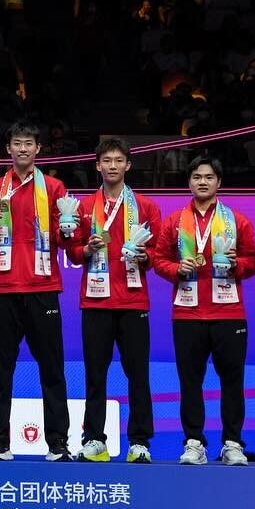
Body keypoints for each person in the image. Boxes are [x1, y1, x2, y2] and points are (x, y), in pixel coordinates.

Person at [0, 121, 72, 461]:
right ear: (8, 149)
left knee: (52, 369)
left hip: (43, 287)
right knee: (1, 370)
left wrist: (69, 229)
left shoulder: (55, 188)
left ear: (38, 148)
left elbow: (65, 239)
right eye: (17, 143)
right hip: (4, 289)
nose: (23, 149)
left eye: (29, 143)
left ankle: (58, 442)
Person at [151, 156, 255, 465]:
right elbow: (158, 260)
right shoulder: (175, 222)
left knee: (232, 382)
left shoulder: (237, 221)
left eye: (209, 177)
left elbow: (254, 261)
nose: (202, 182)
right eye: (197, 177)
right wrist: (176, 268)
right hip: (187, 314)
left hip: (229, 313)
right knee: (190, 382)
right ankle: (194, 442)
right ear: (189, 182)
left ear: (219, 182)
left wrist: (237, 265)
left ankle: (232, 443)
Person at [64, 138, 163, 464]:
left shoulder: (146, 207)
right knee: (95, 374)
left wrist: (145, 256)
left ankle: (140, 441)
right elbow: (73, 251)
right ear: (97, 165)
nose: (112, 166)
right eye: (106, 160)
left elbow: (158, 253)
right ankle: (94, 439)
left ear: (128, 165)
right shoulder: (83, 207)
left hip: (133, 301)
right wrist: (86, 249)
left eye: (118, 160)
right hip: (96, 302)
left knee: (138, 374)